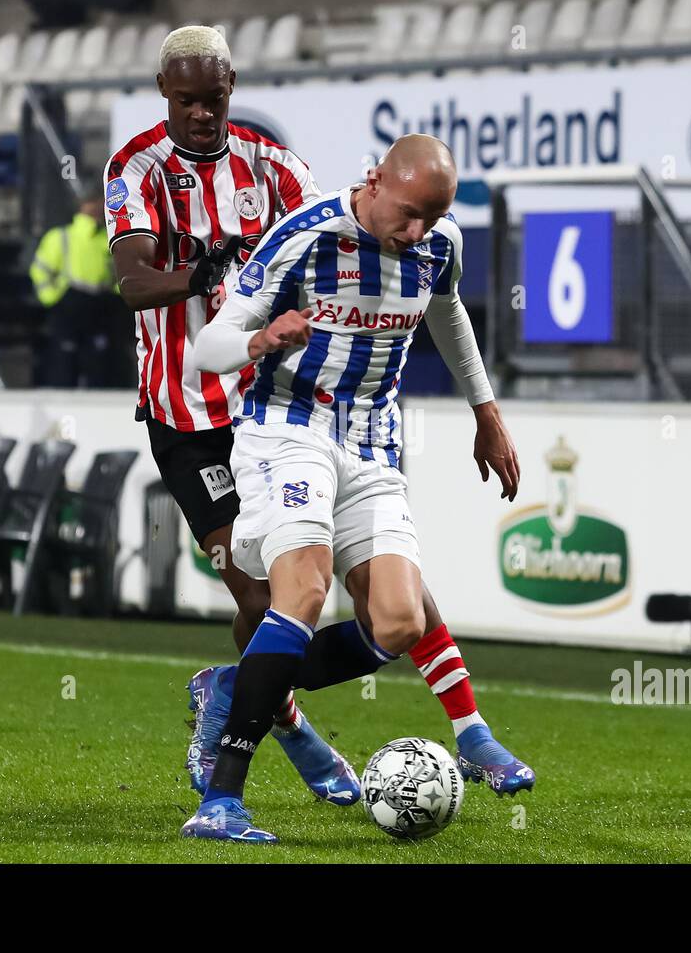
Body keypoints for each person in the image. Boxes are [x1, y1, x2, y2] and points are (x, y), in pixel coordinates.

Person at [106, 27, 533, 812]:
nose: (202, 114)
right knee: (268, 600)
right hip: (193, 410)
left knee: (391, 592)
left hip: (307, 400)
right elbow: (132, 280)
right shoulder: (136, 167)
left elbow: (347, 241)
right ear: (165, 93)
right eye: (186, 100)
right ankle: (293, 734)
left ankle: (465, 725)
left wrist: (477, 398)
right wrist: (218, 263)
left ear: (232, 87)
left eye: (215, 98)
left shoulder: (274, 168)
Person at [181, 135, 529, 842]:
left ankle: (234, 684)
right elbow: (201, 355)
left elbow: (448, 310)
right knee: (303, 593)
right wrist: (258, 341)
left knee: (399, 620)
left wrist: (485, 411)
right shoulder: (304, 239)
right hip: (289, 429)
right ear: (373, 181)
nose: (417, 233)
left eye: (432, 219)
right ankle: (221, 801)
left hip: (372, 441)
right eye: (407, 215)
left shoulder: (438, 245)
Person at [31, 190, 128, 389]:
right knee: (65, 364)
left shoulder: (108, 238)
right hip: (69, 306)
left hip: (101, 307)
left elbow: (122, 274)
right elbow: (40, 271)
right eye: (93, 202)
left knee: (99, 366)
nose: (98, 207)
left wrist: (120, 297)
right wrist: (53, 299)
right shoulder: (61, 237)